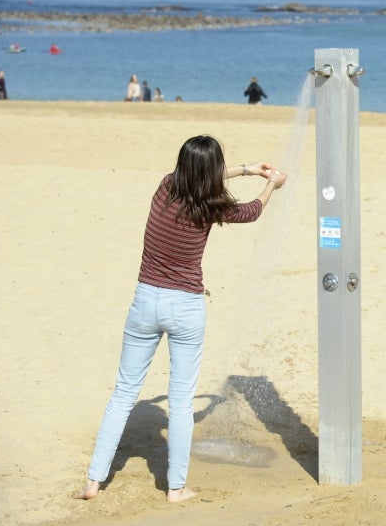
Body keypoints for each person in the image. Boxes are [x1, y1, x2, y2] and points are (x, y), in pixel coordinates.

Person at [75, 136, 287, 503]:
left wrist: (247, 168)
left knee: (123, 393)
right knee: (182, 399)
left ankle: (93, 482)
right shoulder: (212, 205)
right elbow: (253, 210)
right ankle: (176, 488)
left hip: (145, 302)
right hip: (186, 306)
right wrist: (270, 183)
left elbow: (202, 174)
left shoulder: (166, 186)